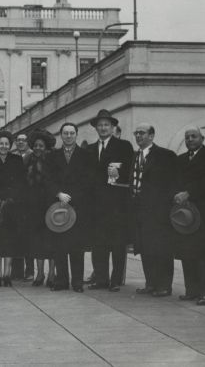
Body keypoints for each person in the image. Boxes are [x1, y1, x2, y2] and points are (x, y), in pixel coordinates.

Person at [174, 127, 205, 306]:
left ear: (202, 138)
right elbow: (175, 181)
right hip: (186, 214)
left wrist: (188, 193)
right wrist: (177, 195)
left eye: (194, 136)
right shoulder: (180, 160)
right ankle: (191, 290)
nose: (190, 140)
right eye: (187, 137)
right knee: (188, 251)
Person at [87, 110, 134, 292]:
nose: (103, 128)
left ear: (113, 127)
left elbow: (131, 171)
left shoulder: (124, 146)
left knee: (117, 244)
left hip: (117, 205)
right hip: (97, 206)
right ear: (96, 128)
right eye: (100, 125)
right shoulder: (90, 149)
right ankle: (101, 279)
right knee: (98, 244)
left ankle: (116, 280)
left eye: (106, 125)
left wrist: (119, 173)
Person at [45, 123, 94, 293]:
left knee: (77, 246)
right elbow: (47, 179)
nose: (68, 136)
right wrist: (58, 193)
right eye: (65, 133)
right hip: (57, 206)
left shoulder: (86, 156)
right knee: (59, 245)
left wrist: (72, 196)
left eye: (72, 133)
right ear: (61, 135)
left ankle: (77, 282)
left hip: (78, 207)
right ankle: (61, 281)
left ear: (76, 135)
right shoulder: (52, 156)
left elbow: (89, 181)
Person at [130, 123, 177, 297]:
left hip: (159, 212)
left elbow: (172, 182)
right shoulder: (135, 156)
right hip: (140, 211)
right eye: (136, 133)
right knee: (145, 247)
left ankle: (164, 285)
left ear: (152, 135)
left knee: (162, 248)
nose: (138, 136)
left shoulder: (165, 155)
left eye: (142, 133)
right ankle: (151, 283)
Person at [0, 131, 26, 287]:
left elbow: (21, 183)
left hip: (11, 206)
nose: (4, 146)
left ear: (10, 145)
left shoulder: (17, 160)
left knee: (9, 241)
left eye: (7, 144)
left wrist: (9, 199)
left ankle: (7, 274)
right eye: (1, 143)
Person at [25, 129, 56, 288]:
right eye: (35, 145)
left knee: (51, 241)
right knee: (36, 242)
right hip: (33, 207)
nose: (38, 148)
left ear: (46, 147)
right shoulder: (27, 160)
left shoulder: (52, 160)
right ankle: (39, 273)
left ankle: (51, 273)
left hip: (49, 205)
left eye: (41, 146)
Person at [11, 132, 34, 280]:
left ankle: (30, 270)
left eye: (23, 140)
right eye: (18, 140)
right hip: (15, 201)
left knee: (29, 237)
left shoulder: (32, 156)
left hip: (29, 201)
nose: (20, 142)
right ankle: (17, 271)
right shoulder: (13, 156)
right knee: (16, 236)